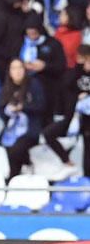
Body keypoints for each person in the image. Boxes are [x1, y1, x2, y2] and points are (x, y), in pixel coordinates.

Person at [42, 44, 90, 177]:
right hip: (72, 118)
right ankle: (67, 160)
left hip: (87, 120)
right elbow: (66, 87)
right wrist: (80, 69)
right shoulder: (73, 73)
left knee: (88, 153)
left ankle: (87, 180)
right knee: (48, 134)